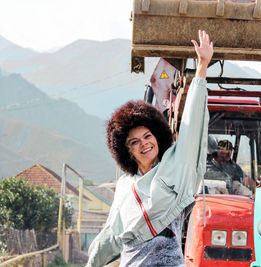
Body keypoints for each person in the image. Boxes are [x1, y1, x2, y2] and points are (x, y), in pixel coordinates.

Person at [86, 30, 214, 267]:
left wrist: (202, 67)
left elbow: (192, 124)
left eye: (147, 136)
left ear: (157, 136)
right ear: (127, 152)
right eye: (135, 142)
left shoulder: (176, 166)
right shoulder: (126, 186)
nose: (144, 143)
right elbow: (111, 234)